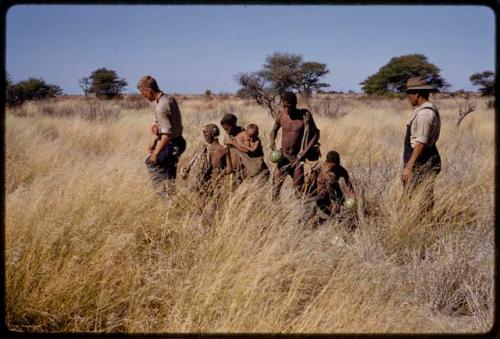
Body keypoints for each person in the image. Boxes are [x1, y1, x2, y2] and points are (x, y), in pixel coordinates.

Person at [137, 75, 186, 196]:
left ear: (149, 91)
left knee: (153, 166)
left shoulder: (160, 107)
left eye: (144, 93)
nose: (144, 96)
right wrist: (154, 140)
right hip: (180, 141)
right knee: (169, 175)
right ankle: (171, 198)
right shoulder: (169, 99)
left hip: (171, 144)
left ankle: (165, 200)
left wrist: (155, 154)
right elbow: (164, 126)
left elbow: (167, 135)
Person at [269, 92, 320, 200]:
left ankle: (299, 213)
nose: (286, 109)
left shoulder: (304, 116)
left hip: (297, 159)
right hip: (282, 158)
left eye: (289, 106)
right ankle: (277, 214)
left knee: (298, 191)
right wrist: (272, 140)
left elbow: (316, 134)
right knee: (275, 190)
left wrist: (305, 152)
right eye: (284, 106)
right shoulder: (281, 115)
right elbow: (273, 130)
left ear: (295, 104)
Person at [402, 76, 441, 210]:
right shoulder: (424, 109)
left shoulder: (425, 114)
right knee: (420, 195)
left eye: (409, 94)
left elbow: (420, 143)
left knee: (421, 196)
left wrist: (409, 167)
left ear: (417, 94)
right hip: (422, 157)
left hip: (424, 159)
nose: (408, 97)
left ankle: (423, 224)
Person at [180, 124, 232, 194]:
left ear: (209, 136)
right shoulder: (224, 150)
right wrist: (220, 173)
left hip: (202, 182)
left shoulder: (204, 149)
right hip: (217, 183)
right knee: (216, 202)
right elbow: (229, 170)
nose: (205, 138)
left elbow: (192, 165)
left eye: (206, 135)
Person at [304, 151, 356, 220]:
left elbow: (350, 188)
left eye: (338, 164)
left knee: (335, 216)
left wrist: (354, 201)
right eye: (333, 166)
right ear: (326, 162)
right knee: (311, 212)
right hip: (317, 196)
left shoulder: (341, 170)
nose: (336, 168)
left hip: (332, 197)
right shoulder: (319, 167)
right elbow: (307, 183)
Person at [222, 114, 268, 180]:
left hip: (247, 168)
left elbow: (246, 150)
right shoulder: (228, 135)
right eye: (225, 129)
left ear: (234, 124)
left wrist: (233, 143)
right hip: (235, 169)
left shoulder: (243, 133)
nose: (227, 131)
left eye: (228, 128)